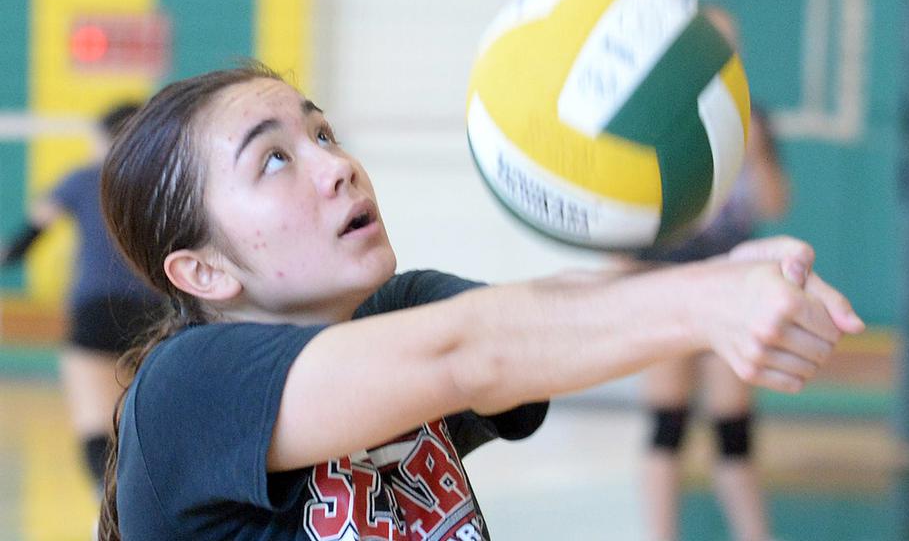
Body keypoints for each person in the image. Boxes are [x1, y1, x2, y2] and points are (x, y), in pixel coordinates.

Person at [96, 64, 863, 541]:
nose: (337, 168)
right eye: (273, 159)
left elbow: (537, 318)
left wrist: (730, 270)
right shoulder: (183, 394)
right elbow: (472, 352)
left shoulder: (400, 311)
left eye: (323, 133)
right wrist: (704, 298)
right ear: (201, 272)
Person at [635, 6, 790, 541]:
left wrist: (754, 151)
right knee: (667, 423)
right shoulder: (662, 119)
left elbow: (774, 202)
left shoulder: (753, 120)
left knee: (733, 429)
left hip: (731, 283)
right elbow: (636, 209)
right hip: (671, 281)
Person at [0, 103, 165, 495]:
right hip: (153, 313)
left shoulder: (82, 178)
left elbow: (24, 242)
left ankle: (106, 511)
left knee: (95, 427)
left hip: (94, 311)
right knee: (138, 426)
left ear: (101, 137)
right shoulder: (160, 183)